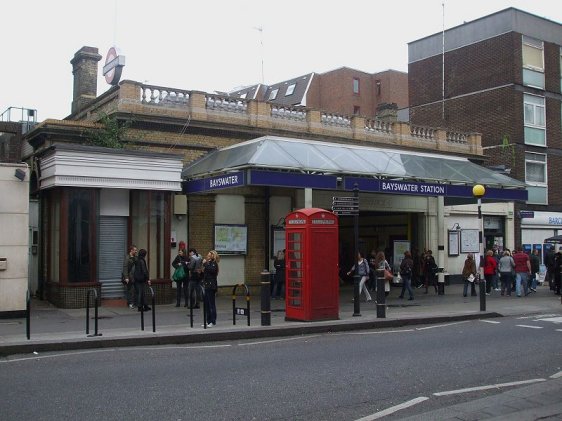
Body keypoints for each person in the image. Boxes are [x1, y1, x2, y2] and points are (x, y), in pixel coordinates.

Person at [202, 250, 220, 327]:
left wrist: (205, 263)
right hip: (206, 285)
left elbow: (212, 270)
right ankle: (208, 320)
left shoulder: (214, 264)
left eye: (209, 255)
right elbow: (206, 272)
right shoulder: (208, 264)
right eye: (207, 255)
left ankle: (213, 321)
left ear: (213, 256)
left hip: (211, 286)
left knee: (211, 304)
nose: (207, 256)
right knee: (206, 304)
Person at [121, 245, 138, 309]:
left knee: (133, 290)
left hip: (135, 277)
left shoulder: (136, 257)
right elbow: (125, 268)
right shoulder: (127, 257)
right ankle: (130, 303)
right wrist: (126, 277)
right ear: (131, 250)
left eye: (136, 250)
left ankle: (133, 302)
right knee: (130, 290)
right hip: (129, 277)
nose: (136, 251)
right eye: (135, 250)